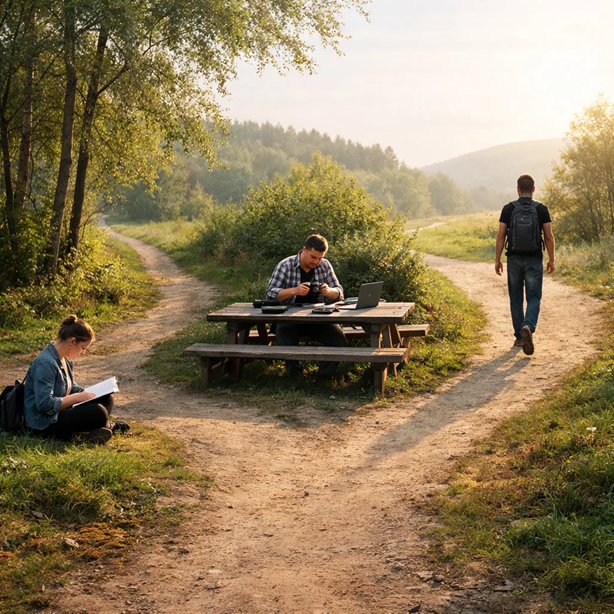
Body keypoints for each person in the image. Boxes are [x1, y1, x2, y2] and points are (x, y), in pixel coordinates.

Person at [24, 315, 128, 443]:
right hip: (46, 422)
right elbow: (44, 405)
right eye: (83, 348)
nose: (83, 352)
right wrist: (77, 398)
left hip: (61, 410)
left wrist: (89, 393)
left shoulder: (65, 359)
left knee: (107, 398)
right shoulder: (46, 363)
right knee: (98, 412)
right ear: (72, 341)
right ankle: (106, 427)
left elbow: (71, 387)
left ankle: (89, 432)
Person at [266, 234, 347, 376]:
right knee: (284, 332)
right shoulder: (285, 265)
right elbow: (270, 293)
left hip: (319, 318)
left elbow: (339, 292)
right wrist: (294, 291)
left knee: (338, 339)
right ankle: (295, 372)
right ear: (304, 249)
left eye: (320, 258)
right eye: (313, 257)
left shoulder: (325, 265)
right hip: (289, 318)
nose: (316, 261)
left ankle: (324, 375)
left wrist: (328, 291)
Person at [495, 174, 555, 355]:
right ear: (534, 190)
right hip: (534, 259)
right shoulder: (541, 209)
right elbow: (549, 236)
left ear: (518, 190)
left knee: (515, 298)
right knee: (534, 297)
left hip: (513, 258)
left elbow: (500, 236)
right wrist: (551, 259)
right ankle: (528, 325)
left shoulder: (508, 208)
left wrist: (497, 259)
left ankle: (520, 337)